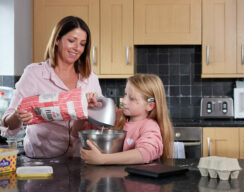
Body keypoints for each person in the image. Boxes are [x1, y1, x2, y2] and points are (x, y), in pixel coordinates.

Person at [1, 16, 102, 158]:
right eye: (71, 41)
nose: (77, 48)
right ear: (57, 40)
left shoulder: (90, 77)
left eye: (82, 44)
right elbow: (7, 124)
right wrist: (18, 116)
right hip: (40, 160)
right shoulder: (34, 73)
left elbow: (98, 124)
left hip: (80, 159)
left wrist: (95, 110)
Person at [80, 73, 174, 165]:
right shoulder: (116, 115)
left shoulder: (149, 126)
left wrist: (103, 159)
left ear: (149, 105)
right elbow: (79, 130)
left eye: (132, 98)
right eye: (125, 94)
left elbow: (146, 153)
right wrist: (85, 108)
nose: (124, 101)